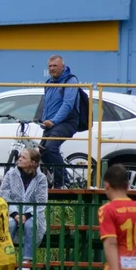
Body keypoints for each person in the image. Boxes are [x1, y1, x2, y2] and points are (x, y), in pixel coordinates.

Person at [0, 147, 50, 270]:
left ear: (33, 163)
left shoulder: (41, 178)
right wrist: (16, 213)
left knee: (30, 224)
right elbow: (4, 196)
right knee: (9, 224)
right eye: (20, 156)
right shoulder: (10, 174)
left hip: (34, 213)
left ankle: (26, 261)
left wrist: (26, 215)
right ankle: (5, 259)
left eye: (23, 157)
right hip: (12, 211)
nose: (19, 159)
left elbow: (41, 201)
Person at [40, 54, 80, 188]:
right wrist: (44, 120)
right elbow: (48, 105)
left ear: (63, 67)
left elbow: (67, 104)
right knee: (42, 151)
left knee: (51, 147)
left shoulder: (70, 80)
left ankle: (62, 182)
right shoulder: (49, 82)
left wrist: (54, 121)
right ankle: (54, 178)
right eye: (50, 66)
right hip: (52, 123)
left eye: (55, 66)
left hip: (67, 122)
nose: (52, 68)